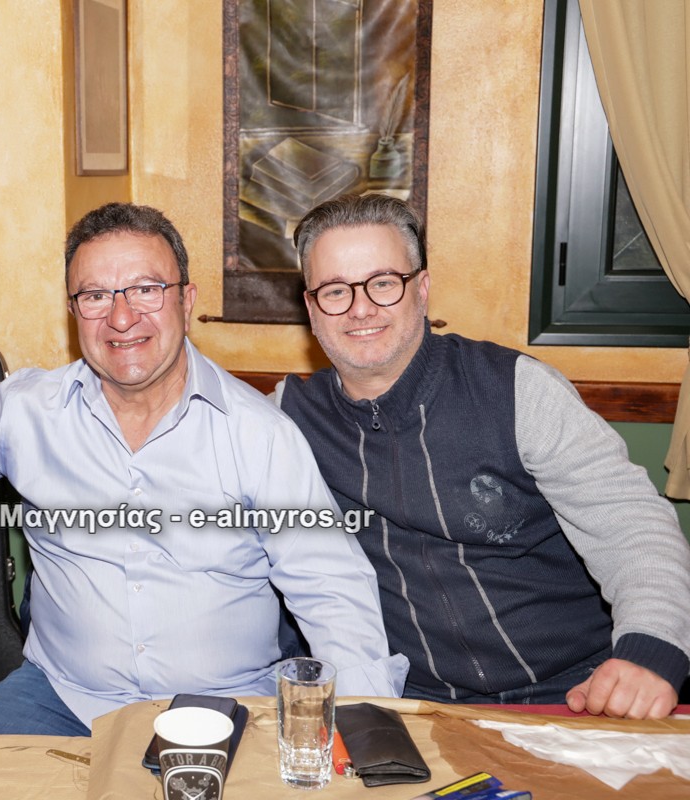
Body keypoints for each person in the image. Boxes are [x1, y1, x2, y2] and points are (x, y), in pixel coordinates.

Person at [0, 202, 407, 736]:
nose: (121, 318)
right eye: (95, 296)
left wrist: (369, 735)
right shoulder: (24, 413)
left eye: (146, 290)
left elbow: (330, 588)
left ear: (186, 301)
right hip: (60, 697)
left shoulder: (260, 434)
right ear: (73, 310)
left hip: (226, 704)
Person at [277, 193, 690, 719]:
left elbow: (631, 525)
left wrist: (650, 650)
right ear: (311, 309)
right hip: (414, 705)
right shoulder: (286, 419)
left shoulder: (516, 390)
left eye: (383, 283)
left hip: (576, 691)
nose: (361, 308)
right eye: (335, 290)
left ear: (421, 289)